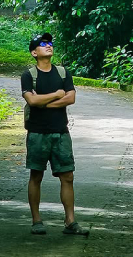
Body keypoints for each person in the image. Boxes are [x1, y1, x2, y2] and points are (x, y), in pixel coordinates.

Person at [21, 32, 89, 236]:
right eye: (42, 44)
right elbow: (31, 102)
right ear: (34, 52)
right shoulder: (29, 75)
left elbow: (71, 98)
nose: (48, 46)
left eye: (49, 43)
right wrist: (57, 95)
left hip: (61, 132)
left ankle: (70, 221)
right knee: (36, 175)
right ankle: (36, 221)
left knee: (68, 176)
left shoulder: (62, 73)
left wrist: (45, 102)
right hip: (37, 133)